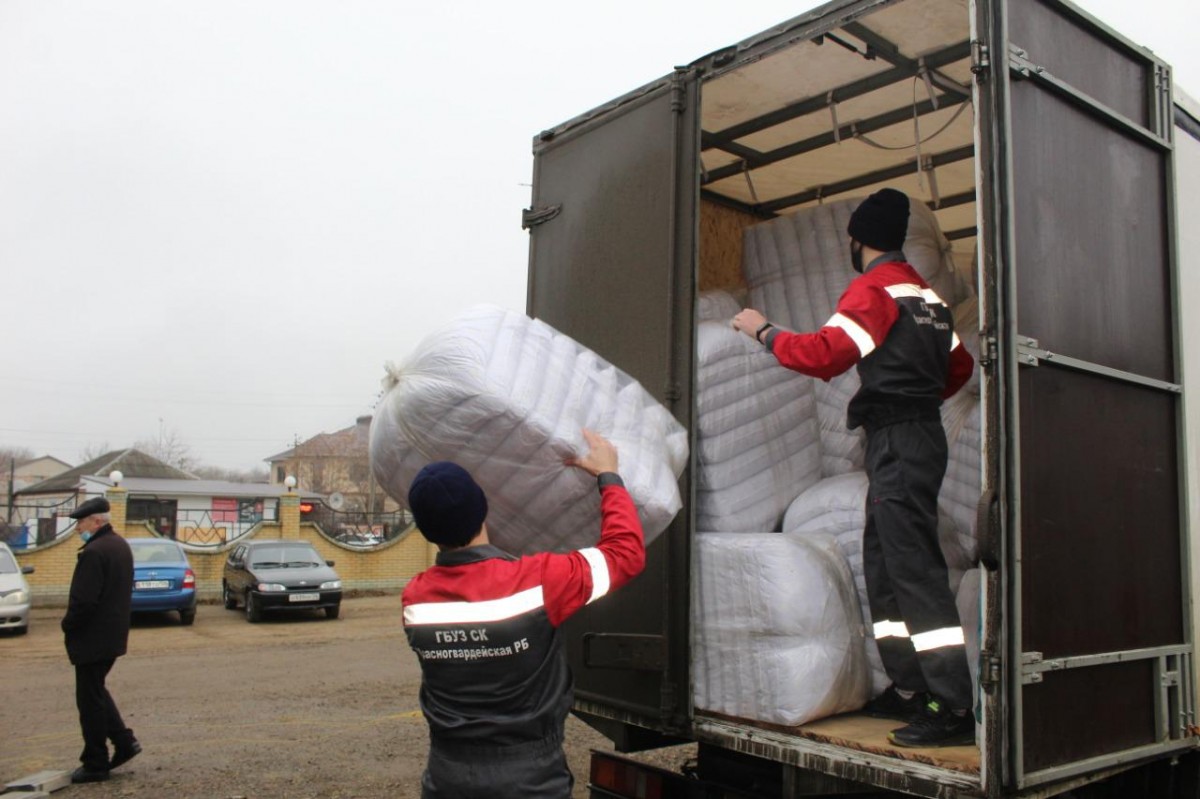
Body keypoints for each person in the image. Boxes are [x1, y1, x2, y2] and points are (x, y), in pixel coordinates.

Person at [732, 187, 976, 748]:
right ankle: (911, 688)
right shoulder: (928, 297)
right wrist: (917, 397)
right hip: (912, 436)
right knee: (885, 566)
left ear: (858, 239)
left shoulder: (876, 290)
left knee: (912, 572)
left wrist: (763, 330)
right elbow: (959, 366)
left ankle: (952, 704)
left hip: (899, 440)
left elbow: (824, 355)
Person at [401, 429, 645, 797]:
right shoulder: (539, 582)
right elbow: (625, 554)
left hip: (447, 777)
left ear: (424, 529)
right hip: (529, 780)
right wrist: (609, 476)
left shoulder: (416, 599)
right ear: (483, 507)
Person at [62, 496, 141, 783]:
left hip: (93, 637)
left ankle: (96, 761)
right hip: (111, 634)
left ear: (96, 521)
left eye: (80, 523)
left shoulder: (95, 551)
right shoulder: (119, 545)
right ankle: (123, 741)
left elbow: (84, 602)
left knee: (89, 700)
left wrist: (68, 625)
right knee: (95, 691)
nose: (77, 529)